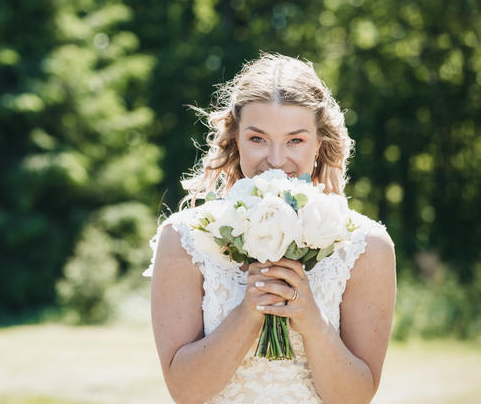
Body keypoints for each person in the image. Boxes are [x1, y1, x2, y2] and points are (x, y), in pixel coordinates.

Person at [144, 53, 396, 404]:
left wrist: (311, 320)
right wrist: (249, 311)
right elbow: (185, 393)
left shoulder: (365, 245)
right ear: (235, 140)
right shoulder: (185, 239)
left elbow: (355, 398)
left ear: (319, 143)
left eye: (295, 140)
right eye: (258, 139)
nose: (276, 160)